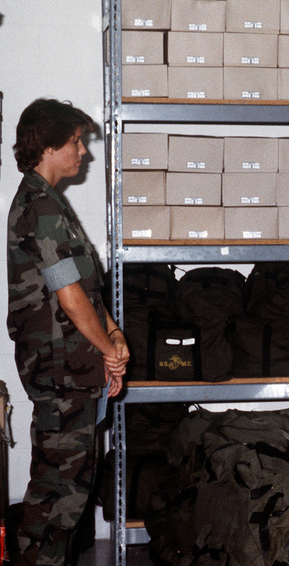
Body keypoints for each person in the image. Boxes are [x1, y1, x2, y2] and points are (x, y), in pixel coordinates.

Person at [7, 98, 130, 566]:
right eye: (76, 141)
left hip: (76, 367)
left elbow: (88, 289)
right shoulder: (40, 208)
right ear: (50, 144)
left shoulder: (52, 202)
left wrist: (114, 339)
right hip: (62, 371)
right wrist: (108, 352)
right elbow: (70, 299)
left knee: (70, 491)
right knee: (57, 495)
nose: (83, 151)